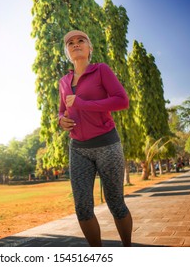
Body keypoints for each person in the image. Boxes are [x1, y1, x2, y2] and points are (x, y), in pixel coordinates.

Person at [58, 30, 132, 247]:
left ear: (89, 48)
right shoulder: (64, 81)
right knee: (82, 207)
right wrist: (60, 120)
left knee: (115, 203)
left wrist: (83, 104)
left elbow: (122, 101)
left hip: (106, 143)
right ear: (67, 52)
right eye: (70, 43)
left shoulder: (101, 70)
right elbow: (62, 110)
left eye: (81, 40)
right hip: (78, 148)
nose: (76, 44)